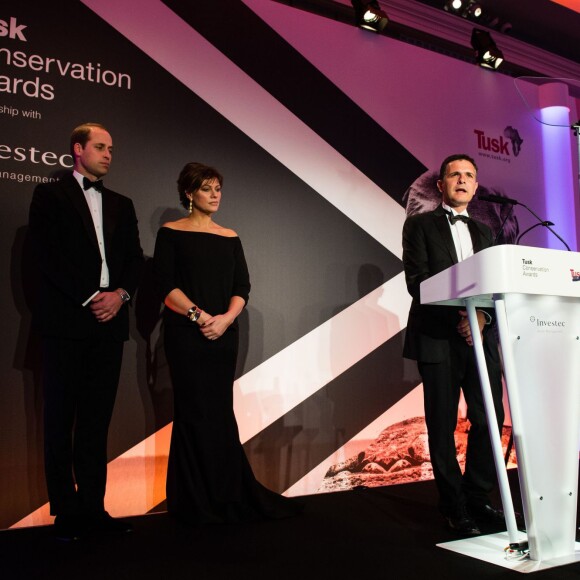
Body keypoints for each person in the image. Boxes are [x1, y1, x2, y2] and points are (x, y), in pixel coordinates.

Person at [153, 162, 301, 523]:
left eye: (218, 188)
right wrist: (201, 318)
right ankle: (194, 502)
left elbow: (242, 287)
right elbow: (165, 286)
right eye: (207, 188)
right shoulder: (170, 233)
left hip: (224, 336)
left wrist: (225, 320)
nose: (216, 195)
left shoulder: (230, 236)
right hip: (188, 337)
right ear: (189, 193)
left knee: (219, 413)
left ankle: (227, 494)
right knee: (192, 413)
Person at [28, 122, 144, 540]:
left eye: (111, 147)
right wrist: (87, 297)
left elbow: (134, 259)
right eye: (100, 146)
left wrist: (120, 297)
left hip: (110, 325)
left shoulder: (122, 203)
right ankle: (66, 513)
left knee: (97, 422)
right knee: (60, 421)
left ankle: (94, 508)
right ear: (78, 149)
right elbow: (44, 255)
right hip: (66, 323)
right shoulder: (49, 195)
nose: (109, 154)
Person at [402, 154, 504, 536]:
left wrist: (482, 317)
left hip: (480, 336)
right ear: (441, 185)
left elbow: (494, 285)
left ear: (476, 187)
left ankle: (477, 497)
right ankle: (453, 505)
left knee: (489, 417)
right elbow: (419, 282)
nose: (462, 180)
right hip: (438, 336)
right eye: (454, 174)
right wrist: (462, 317)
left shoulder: (485, 232)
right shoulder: (419, 226)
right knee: (442, 425)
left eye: (469, 175)